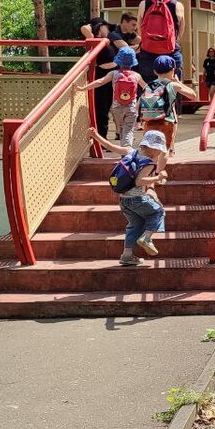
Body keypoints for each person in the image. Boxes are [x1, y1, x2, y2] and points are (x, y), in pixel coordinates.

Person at [90, 127, 168, 266]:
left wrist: (95, 135)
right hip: (137, 199)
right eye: (159, 151)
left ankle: (127, 255)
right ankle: (147, 238)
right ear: (155, 149)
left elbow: (110, 146)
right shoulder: (149, 163)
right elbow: (140, 181)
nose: (159, 154)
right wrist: (158, 177)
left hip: (123, 200)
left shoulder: (131, 152)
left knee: (135, 224)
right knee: (158, 212)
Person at [77, 47, 147, 149]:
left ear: (118, 61)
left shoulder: (114, 74)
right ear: (133, 62)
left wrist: (83, 88)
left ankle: (125, 149)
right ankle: (126, 150)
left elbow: (99, 82)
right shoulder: (136, 76)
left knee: (122, 129)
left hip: (116, 108)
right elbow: (146, 88)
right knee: (128, 130)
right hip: (131, 108)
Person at [138, 54, 196, 152]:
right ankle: (164, 163)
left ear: (155, 71)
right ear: (173, 70)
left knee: (151, 150)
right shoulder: (172, 85)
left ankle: (152, 165)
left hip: (149, 121)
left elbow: (139, 103)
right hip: (167, 121)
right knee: (165, 149)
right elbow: (193, 95)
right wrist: (178, 82)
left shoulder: (149, 86)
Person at [137, 0, 185, 83]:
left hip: (148, 54)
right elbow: (181, 30)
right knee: (173, 90)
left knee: (149, 91)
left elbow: (139, 29)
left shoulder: (144, 4)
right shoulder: (177, 5)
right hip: (171, 53)